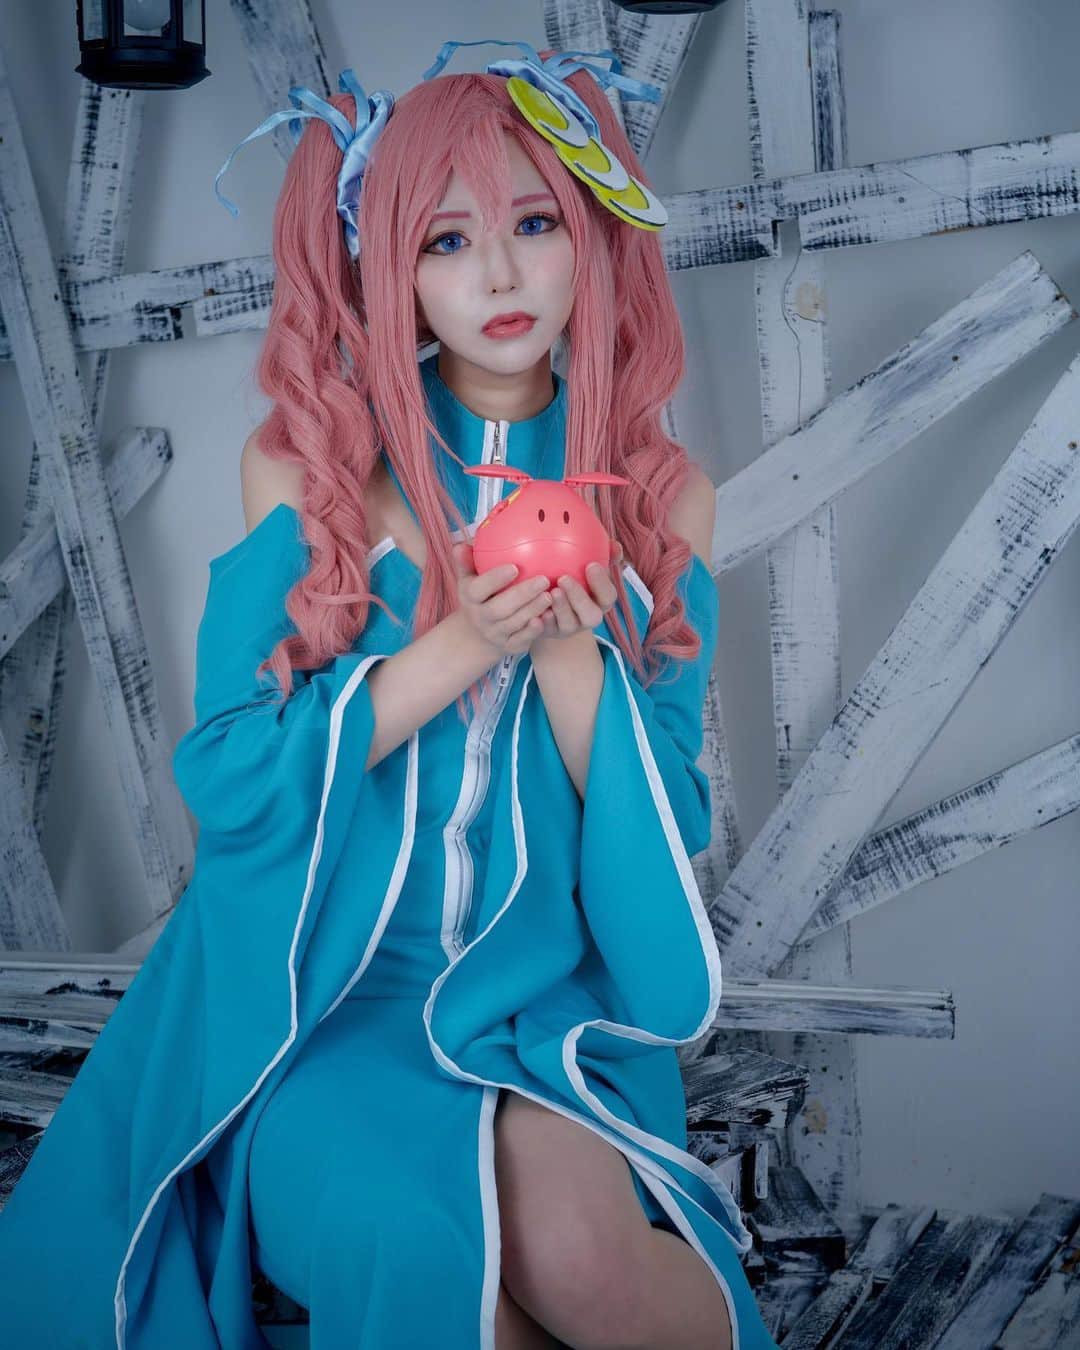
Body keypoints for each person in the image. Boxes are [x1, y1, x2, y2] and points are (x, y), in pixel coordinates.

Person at [0, 37, 780, 1350]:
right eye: (446, 240)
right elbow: (232, 778)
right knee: (429, 1267)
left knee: (584, 1261)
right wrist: (462, 641)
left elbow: (667, 815)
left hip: (546, 1005)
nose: (498, 276)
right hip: (324, 1008)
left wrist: (568, 651)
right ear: (391, 267)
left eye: (534, 223)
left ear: (591, 235)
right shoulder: (311, 470)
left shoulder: (662, 500)